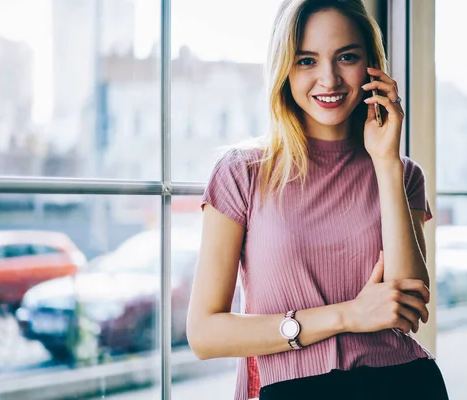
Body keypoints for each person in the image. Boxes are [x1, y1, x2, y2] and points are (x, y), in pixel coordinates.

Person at [186, 0, 449, 399]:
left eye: (346, 57)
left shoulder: (401, 172)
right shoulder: (244, 172)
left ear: (371, 67)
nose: (329, 79)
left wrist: (386, 162)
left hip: (403, 384)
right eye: (307, 60)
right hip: (292, 390)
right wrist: (347, 316)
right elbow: (204, 334)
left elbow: (409, 307)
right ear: (285, 69)